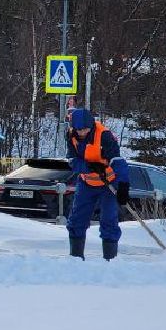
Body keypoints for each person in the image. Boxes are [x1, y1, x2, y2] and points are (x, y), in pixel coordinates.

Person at [65, 107, 130, 260]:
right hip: (86, 183)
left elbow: (118, 162)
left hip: (108, 184)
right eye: (78, 129)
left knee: (109, 220)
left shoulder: (105, 136)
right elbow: (72, 161)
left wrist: (123, 186)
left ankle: (110, 259)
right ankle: (75, 258)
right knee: (77, 219)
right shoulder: (71, 135)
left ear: (91, 125)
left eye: (85, 129)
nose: (81, 133)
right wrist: (88, 166)